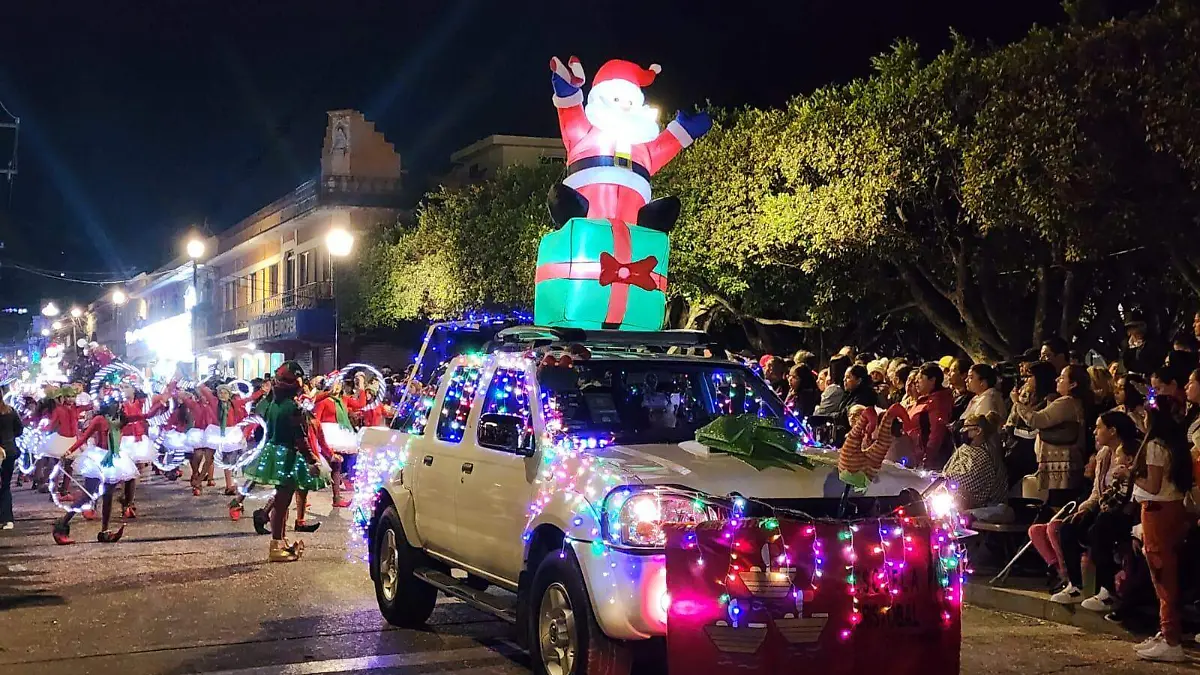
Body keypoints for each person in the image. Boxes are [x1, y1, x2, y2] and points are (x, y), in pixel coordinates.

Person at [1111, 403, 1195, 662]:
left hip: (1158, 511)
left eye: (1145, 417)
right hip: (1168, 510)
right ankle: (1166, 631)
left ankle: (1171, 638)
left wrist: (1129, 474)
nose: (1142, 421)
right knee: (1162, 572)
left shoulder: (1156, 447)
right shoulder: (1173, 446)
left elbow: (1153, 484)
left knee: (1162, 574)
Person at [1043, 411, 1139, 609]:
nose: (1095, 432)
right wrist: (1084, 508)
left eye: (1099, 427)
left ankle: (1107, 590)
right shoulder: (1104, 454)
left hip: (1126, 510)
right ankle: (1075, 585)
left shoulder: (1132, 452)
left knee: (1099, 529)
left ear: (1112, 431)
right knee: (1068, 527)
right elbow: (1097, 490)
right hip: (1104, 505)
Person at [241, 362, 329, 562]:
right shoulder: (292, 407)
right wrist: (311, 460)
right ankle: (277, 544)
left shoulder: (274, 403)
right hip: (288, 456)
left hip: (274, 453)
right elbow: (300, 437)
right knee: (282, 503)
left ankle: (280, 541)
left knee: (282, 501)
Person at [52, 404, 139, 544]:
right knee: (87, 496)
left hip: (114, 460)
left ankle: (105, 530)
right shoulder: (99, 420)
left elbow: (145, 416)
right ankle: (61, 525)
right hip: (97, 459)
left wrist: (164, 401)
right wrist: (68, 452)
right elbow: (84, 438)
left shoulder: (122, 419)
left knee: (109, 495)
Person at [1010, 364, 1091, 505]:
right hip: (1062, 468)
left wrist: (1017, 403)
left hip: (1061, 469)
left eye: (1062, 378)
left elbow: (1037, 420)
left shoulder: (1066, 402)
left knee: (1058, 505)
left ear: (1073, 384)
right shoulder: (1071, 402)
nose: (1057, 380)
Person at [942, 412, 1007, 511]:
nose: (962, 433)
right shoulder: (965, 449)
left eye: (966, 430)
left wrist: (945, 478)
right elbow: (947, 470)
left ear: (978, 431)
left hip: (985, 507)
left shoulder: (985, 455)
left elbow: (964, 482)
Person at [904, 363, 954, 469]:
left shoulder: (938, 402)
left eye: (921, 378)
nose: (916, 382)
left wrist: (927, 458)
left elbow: (937, 432)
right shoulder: (924, 399)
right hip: (913, 453)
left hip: (924, 458)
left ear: (932, 380)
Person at [0, 389, 24, 530]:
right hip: (9, 451)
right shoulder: (10, 411)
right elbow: (19, 429)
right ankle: (7, 518)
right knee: (5, 485)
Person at [1122, 312, 1166, 377]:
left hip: (1149, 378)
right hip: (1131, 376)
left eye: (1135, 327)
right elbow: (1126, 363)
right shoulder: (1127, 344)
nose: (1132, 331)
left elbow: (1153, 364)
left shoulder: (1153, 343)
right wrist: (1132, 348)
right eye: (1130, 328)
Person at [944, 357, 973, 423]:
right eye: (949, 370)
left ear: (963, 375)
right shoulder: (948, 393)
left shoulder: (970, 398)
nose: (948, 374)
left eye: (953, 371)